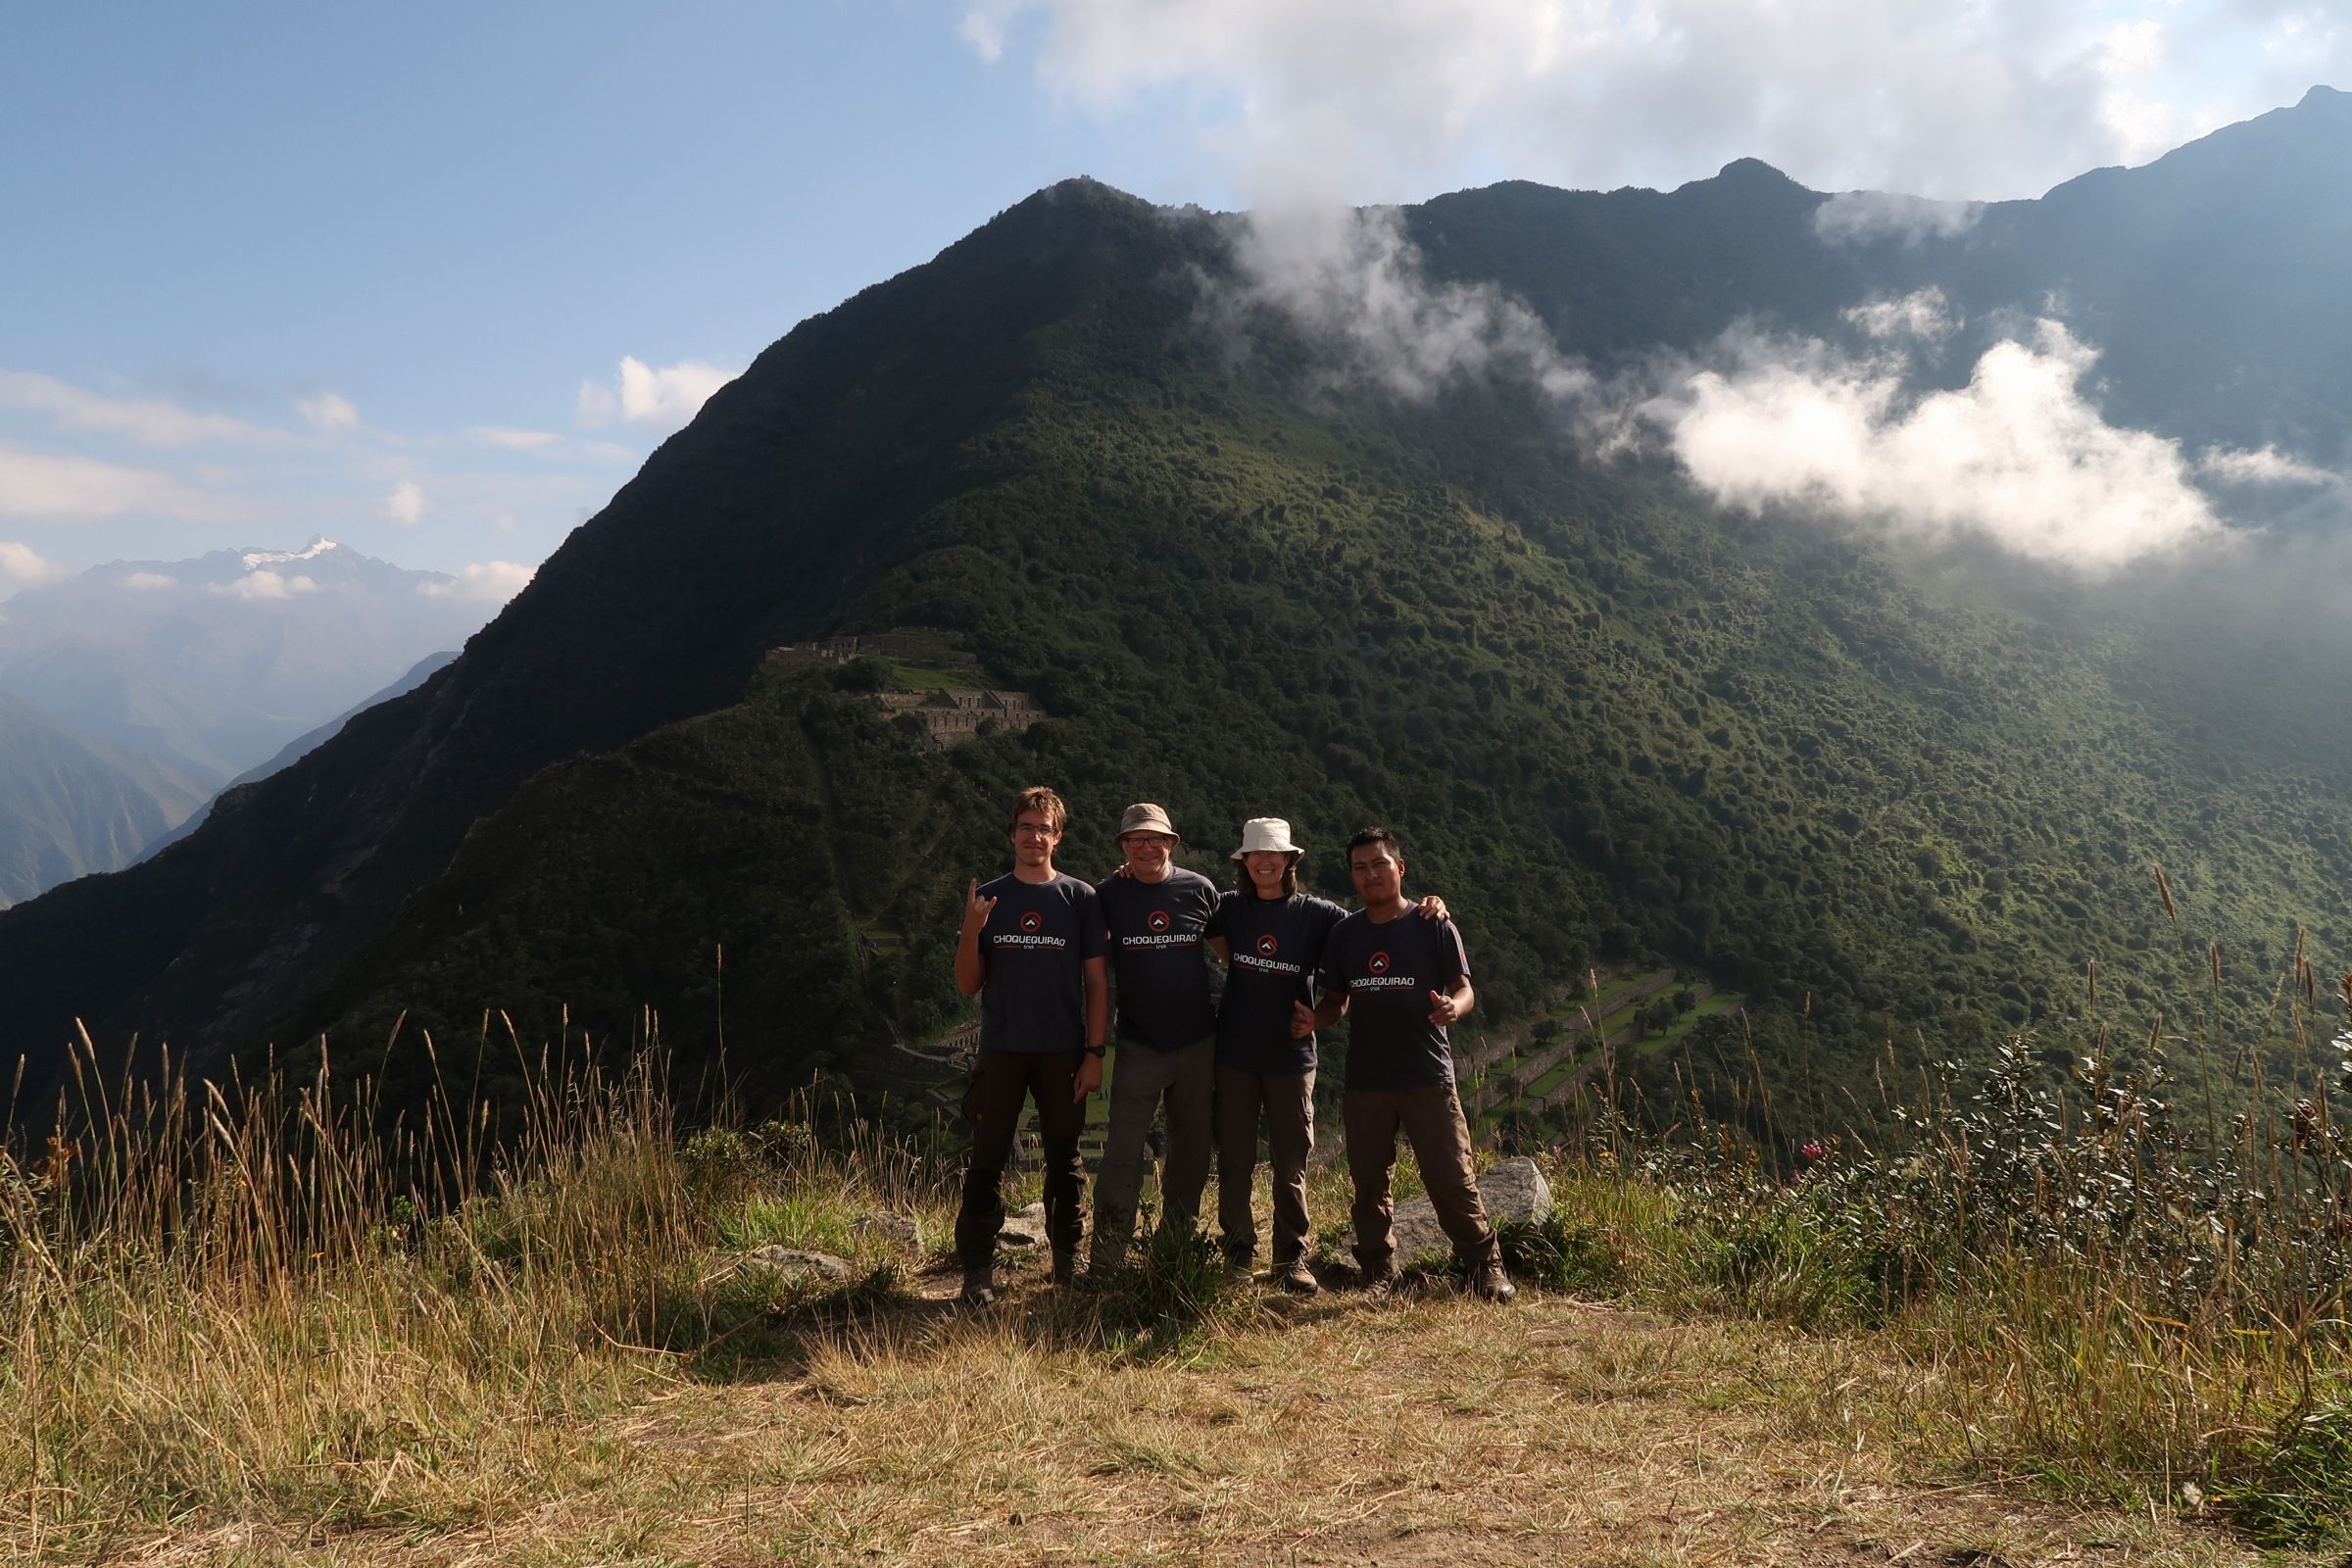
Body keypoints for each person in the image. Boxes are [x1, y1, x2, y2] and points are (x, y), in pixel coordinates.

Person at [1212, 818, 1451, 1294]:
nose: (1264, 862)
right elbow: (1179, 902)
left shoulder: (1320, 915)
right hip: (1234, 1054)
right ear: (1244, 862)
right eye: (1255, 854)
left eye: (1273, 854)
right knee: (1235, 1160)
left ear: (1289, 861)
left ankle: (1291, 1258)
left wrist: (1432, 905)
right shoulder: (1226, 907)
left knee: (1291, 1164)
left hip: (1293, 1058)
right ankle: (1238, 1253)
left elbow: (1377, 922)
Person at [1308, 827, 1514, 1303]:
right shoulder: (1344, 934)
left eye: (1379, 864)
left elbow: (1464, 988)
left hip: (1427, 1075)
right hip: (1367, 1079)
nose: (1370, 874)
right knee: (1368, 1183)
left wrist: (1454, 1008)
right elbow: (1337, 1000)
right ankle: (1379, 1271)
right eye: (1360, 868)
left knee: (1451, 1176)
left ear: (1399, 868)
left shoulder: (1433, 924)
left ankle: (1485, 1268)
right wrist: (1313, 1020)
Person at [953, 786, 1109, 1304]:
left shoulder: (1080, 899)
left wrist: (1095, 1054)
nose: (1034, 836)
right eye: (1026, 827)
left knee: (1065, 1157)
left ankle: (1068, 1260)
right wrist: (971, 930)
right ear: (1012, 833)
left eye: (1044, 828)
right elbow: (968, 984)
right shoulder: (989, 898)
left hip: (1062, 1050)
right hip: (1002, 1048)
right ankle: (978, 1270)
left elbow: (1096, 984)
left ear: (1057, 837)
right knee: (988, 1157)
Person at [1089, 803, 1220, 1274]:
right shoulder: (1107, 895)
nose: (1146, 847)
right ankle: (1107, 1258)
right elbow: (1091, 966)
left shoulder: (1199, 889)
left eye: (1155, 839)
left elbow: (1232, 949)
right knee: (1123, 1151)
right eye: (1135, 839)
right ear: (1123, 846)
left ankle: (1176, 1247)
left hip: (1198, 1042)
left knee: (1191, 1148)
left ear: (1171, 843)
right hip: (1139, 1043)